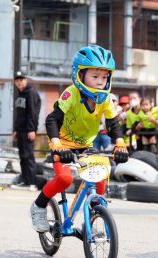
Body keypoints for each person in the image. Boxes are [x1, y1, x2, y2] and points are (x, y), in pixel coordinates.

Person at [29, 45, 129, 232]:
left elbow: (113, 123)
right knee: (65, 179)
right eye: (95, 76)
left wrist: (120, 144)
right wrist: (57, 145)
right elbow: (52, 120)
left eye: (104, 77)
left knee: (100, 179)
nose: (100, 82)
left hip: (86, 146)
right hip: (63, 145)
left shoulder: (105, 99)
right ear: (80, 75)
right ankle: (39, 206)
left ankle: (93, 217)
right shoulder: (71, 94)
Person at [12, 71, 41, 192]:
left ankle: (33, 183)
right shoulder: (20, 94)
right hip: (21, 130)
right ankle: (25, 181)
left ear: (26, 80)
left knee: (29, 156)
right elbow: (19, 114)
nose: (19, 82)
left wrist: (32, 129)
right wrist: (16, 130)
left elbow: (33, 113)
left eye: (21, 80)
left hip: (28, 130)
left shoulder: (31, 93)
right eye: (17, 80)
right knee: (22, 157)